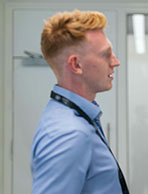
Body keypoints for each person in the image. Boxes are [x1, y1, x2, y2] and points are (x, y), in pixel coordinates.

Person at [31, 10, 129, 194]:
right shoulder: (68, 134)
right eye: (106, 54)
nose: (115, 62)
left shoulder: (76, 118)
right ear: (76, 65)